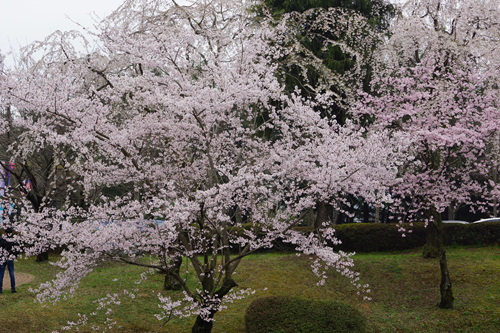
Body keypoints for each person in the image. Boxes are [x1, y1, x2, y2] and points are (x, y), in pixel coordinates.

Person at [0, 228, 20, 293]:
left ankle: (0, 289)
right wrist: (14, 256)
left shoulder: (2, 239)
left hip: (2, 257)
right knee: (11, 274)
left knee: (1, 274)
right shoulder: (14, 240)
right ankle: (13, 289)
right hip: (10, 257)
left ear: (5, 233)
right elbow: (17, 249)